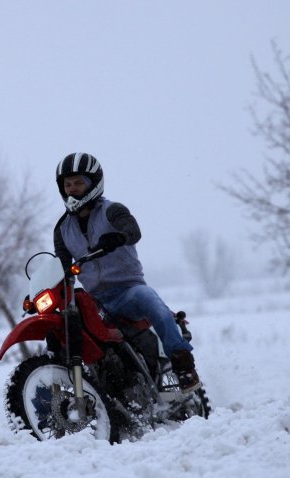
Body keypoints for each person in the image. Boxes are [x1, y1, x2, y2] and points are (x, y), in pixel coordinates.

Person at [52, 152, 202, 393]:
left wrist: (119, 236)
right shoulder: (62, 229)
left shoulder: (112, 211)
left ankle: (183, 364)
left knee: (150, 300)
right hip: (95, 300)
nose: (72, 189)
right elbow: (61, 263)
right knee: (65, 324)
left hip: (127, 291)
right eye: (67, 184)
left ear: (93, 183)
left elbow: (133, 230)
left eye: (79, 182)